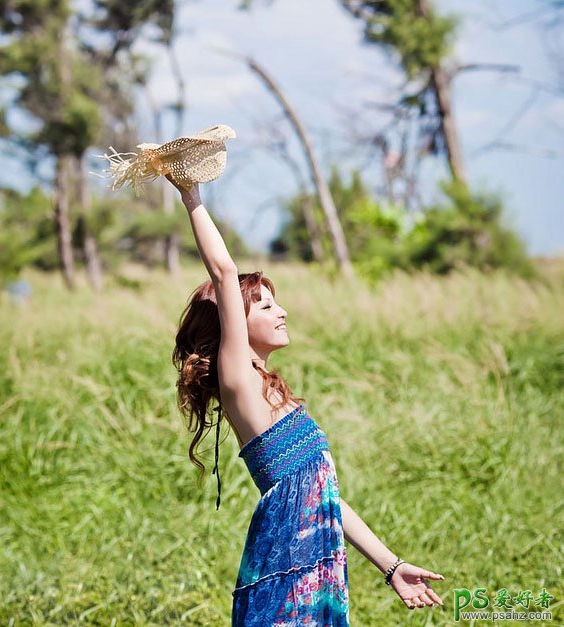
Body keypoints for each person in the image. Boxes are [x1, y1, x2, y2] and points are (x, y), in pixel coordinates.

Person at [168, 176, 446, 625]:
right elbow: (222, 270)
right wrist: (191, 195)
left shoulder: (275, 392)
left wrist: (391, 565)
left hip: (320, 557)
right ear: (234, 323)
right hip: (287, 559)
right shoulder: (237, 378)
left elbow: (326, 497)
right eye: (264, 307)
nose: (281, 312)